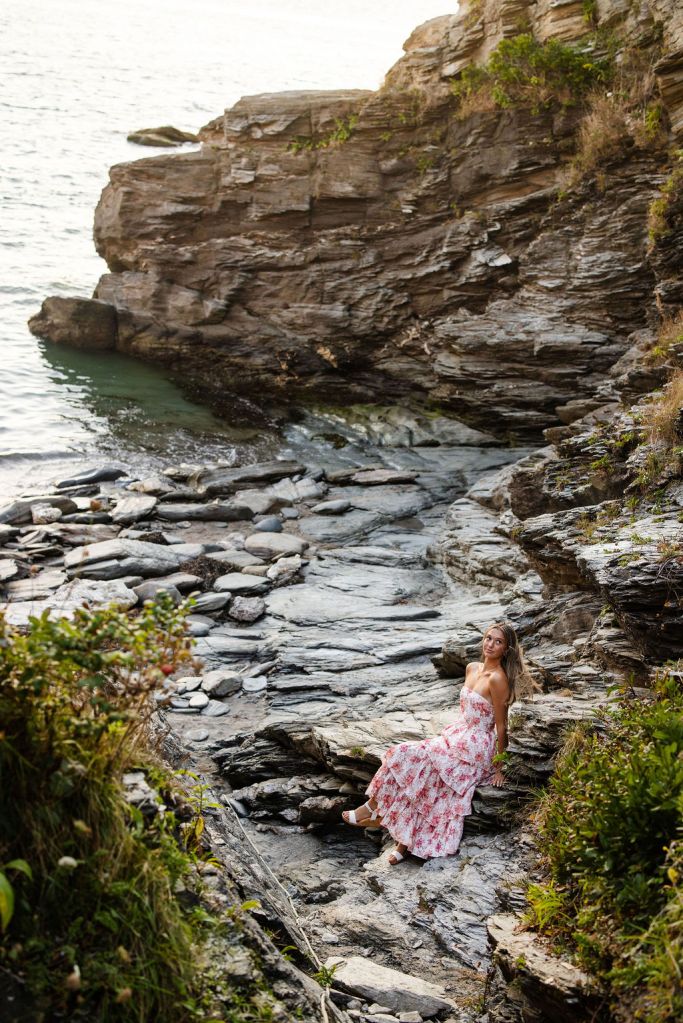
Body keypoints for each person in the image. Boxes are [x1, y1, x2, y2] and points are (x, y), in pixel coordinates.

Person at [341, 622, 533, 864]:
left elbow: (501, 726)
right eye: (488, 638)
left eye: (498, 642)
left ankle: (378, 816)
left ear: (506, 649)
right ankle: (397, 833)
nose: (490, 644)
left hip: (476, 747)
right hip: (458, 734)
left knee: (414, 761)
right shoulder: (472, 668)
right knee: (408, 760)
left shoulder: (498, 679)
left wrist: (499, 766)